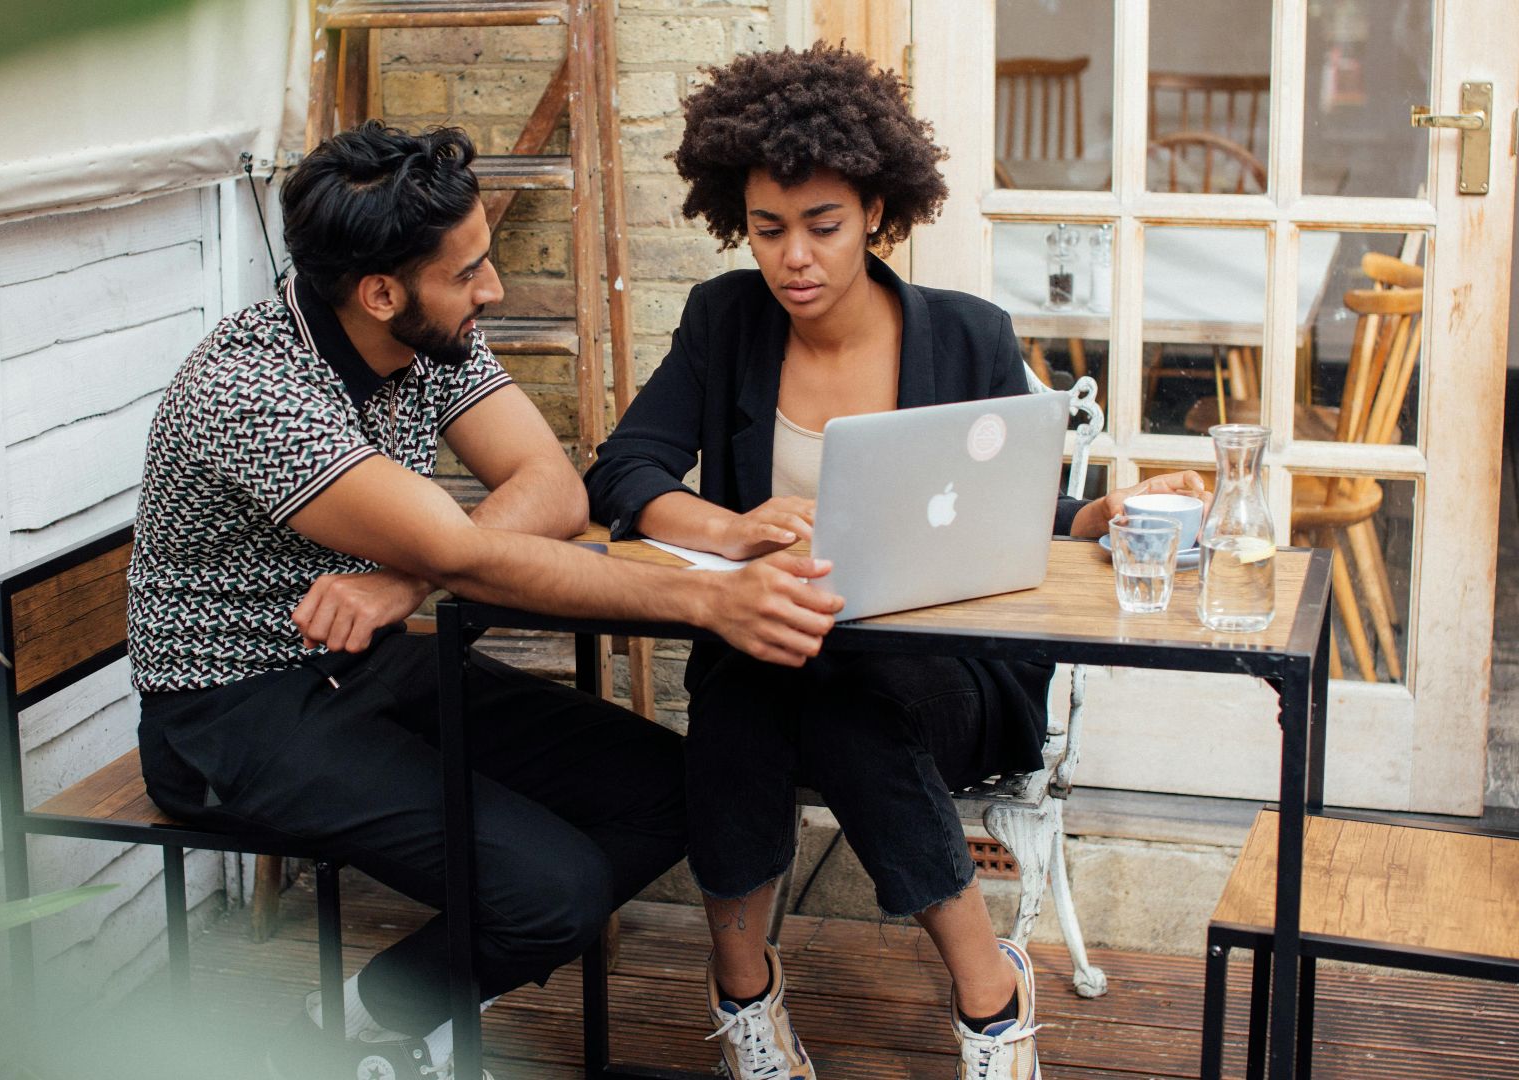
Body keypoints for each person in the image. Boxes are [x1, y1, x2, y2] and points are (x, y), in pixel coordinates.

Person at [126, 120, 846, 1080]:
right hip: (233, 711)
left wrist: (413, 575)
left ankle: (389, 1013)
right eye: (468, 272)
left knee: (679, 792)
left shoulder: (427, 334)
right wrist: (709, 604)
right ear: (381, 292)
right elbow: (476, 552)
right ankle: (361, 1022)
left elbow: (554, 485)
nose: (493, 289)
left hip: (366, 664)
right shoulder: (256, 390)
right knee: (553, 894)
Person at [584, 45, 1208, 1080]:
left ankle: (983, 996)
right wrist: (732, 530)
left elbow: (1010, 515)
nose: (794, 259)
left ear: (876, 208)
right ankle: (776, 999)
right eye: (769, 230)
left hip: (944, 681)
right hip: (779, 656)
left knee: (834, 692)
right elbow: (626, 471)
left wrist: (1096, 512)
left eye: (822, 227)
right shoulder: (726, 323)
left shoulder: (967, 336)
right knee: (753, 687)